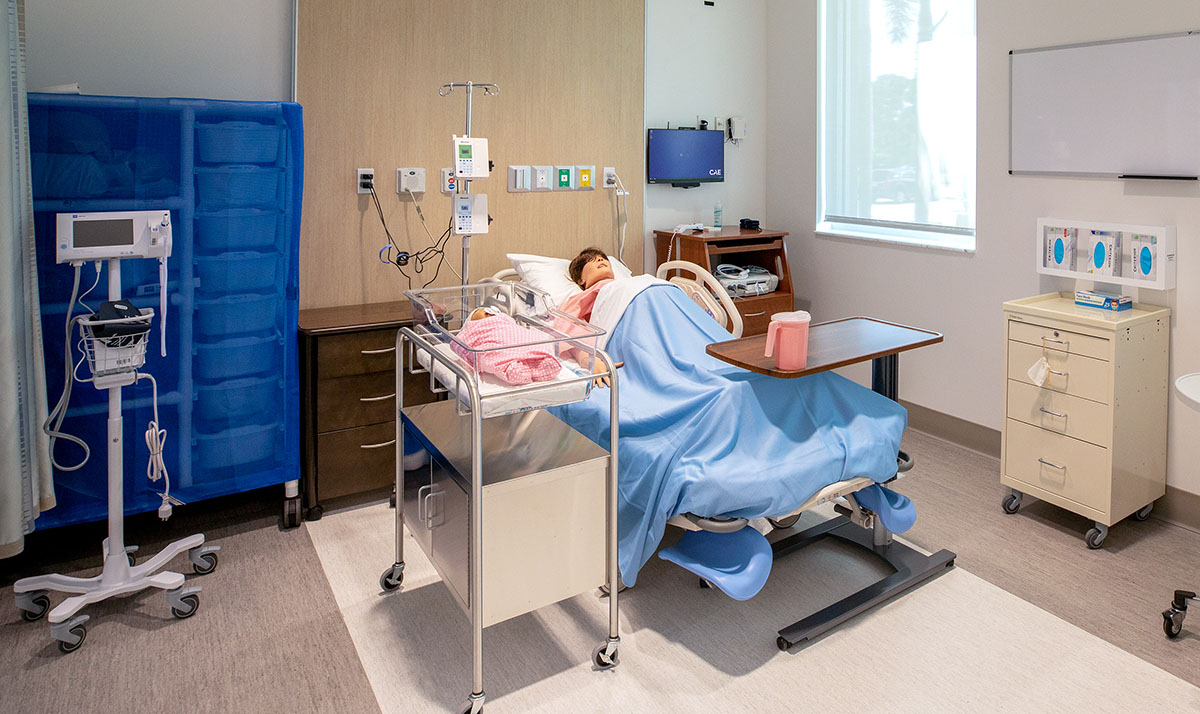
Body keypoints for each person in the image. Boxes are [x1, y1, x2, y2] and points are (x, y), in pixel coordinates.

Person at [559, 247, 622, 387]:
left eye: (603, 258)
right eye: (591, 260)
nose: (600, 259)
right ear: (581, 279)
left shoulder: (627, 285)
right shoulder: (581, 298)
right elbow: (566, 327)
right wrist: (588, 359)